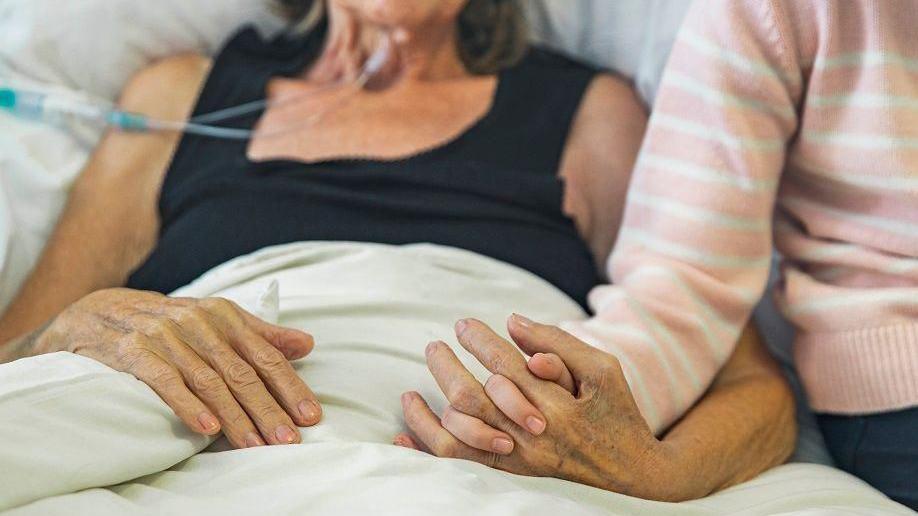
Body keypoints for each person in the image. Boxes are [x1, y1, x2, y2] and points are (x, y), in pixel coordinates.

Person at [0, 0, 795, 501]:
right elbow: (20, 347)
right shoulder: (179, 96)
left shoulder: (589, 112)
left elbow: (753, 388)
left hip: (477, 460)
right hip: (214, 436)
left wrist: (651, 474)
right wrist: (95, 323)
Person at [396, 0, 917, 509]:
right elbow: (682, 281)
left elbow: (732, 354)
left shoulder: (582, 107)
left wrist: (650, 462)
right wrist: (560, 395)